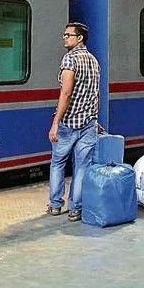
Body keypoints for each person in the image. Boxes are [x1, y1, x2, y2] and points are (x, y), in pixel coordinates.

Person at [47, 22, 101, 222]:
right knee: (82, 167)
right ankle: (75, 210)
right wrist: (96, 117)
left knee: (58, 163)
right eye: (64, 34)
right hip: (89, 123)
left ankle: (55, 205)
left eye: (69, 35)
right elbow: (97, 94)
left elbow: (66, 92)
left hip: (69, 123)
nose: (65, 38)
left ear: (80, 38)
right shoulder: (94, 61)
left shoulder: (69, 60)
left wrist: (56, 121)